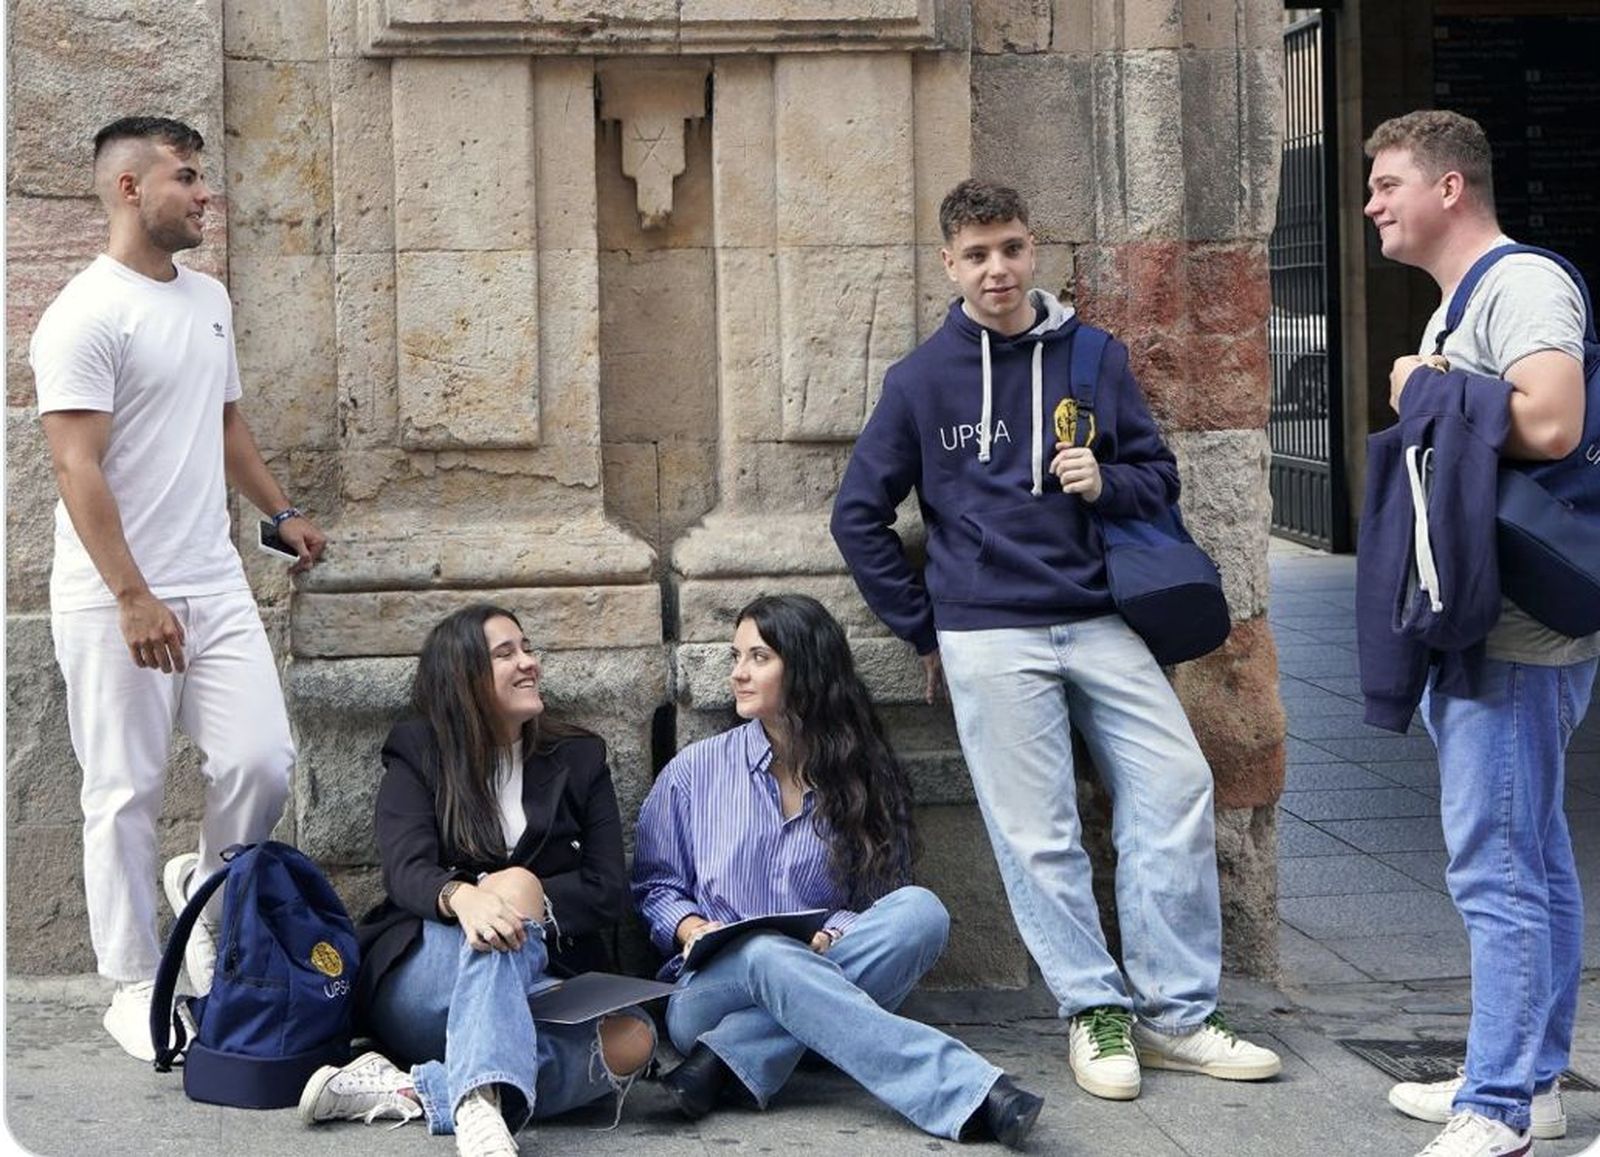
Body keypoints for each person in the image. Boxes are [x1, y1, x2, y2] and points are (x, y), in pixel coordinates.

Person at [829, 178, 1282, 1103]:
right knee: (1038, 833)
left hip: (1100, 616)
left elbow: (1158, 476)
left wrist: (1104, 481)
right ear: (949, 264)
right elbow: (858, 516)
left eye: (1011, 248)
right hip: (987, 630)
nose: (997, 269)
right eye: (977, 255)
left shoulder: (1093, 356)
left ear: (1034, 250)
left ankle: (1176, 1016)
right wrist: (925, 628)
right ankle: (1093, 1008)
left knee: (1176, 784)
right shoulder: (920, 381)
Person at [30, 115, 328, 1061]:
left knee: (262, 761)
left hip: (214, 580)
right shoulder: (83, 314)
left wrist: (279, 512)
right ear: (130, 188)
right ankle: (130, 981)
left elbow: (224, 421)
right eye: (187, 177)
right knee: (124, 789)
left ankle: (208, 889)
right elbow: (76, 466)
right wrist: (132, 596)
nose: (205, 194)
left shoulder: (208, 298)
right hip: (114, 596)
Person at [1361, 110, 1596, 1157]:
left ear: (1449, 187)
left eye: (1388, 184)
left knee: (1495, 867)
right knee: (1532, 856)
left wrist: (1422, 385)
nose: (1371, 204)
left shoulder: (1521, 284)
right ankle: (1531, 1082)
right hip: (1486, 623)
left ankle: (1495, 1107)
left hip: (1513, 636)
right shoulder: (1460, 303)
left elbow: (1551, 420)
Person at [631, 593, 1044, 1148]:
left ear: (805, 668)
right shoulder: (694, 771)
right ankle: (967, 1090)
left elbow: (879, 901)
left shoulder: (862, 776)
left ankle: (727, 1061)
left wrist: (831, 934)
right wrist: (691, 928)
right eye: (736, 656)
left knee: (921, 911)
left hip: (821, 967)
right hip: (708, 994)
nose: (738, 673)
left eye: (758, 658)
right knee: (765, 951)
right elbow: (656, 886)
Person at [298, 604, 656, 1157]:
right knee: (507, 896)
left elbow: (608, 888)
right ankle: (477, 1101)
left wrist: (527, 900)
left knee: (635, 1038)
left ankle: (424, 1092)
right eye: (506, 654)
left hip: (538, 980)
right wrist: (463, 896)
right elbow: (406, 868)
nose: (529, 662)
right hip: (428, 975)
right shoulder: (419, 751)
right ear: (463, 677)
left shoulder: (580, 758)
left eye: (527, 648)